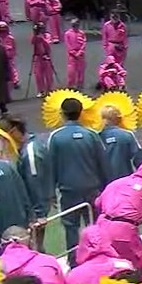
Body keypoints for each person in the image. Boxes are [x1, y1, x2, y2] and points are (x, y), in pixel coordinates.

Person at [48, 96, 106, 251]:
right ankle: (99, 256)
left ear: (62, 113)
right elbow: (102, 163)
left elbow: (51, 166)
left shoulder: (56, 137)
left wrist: (51, 193)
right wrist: (105, 187)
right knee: (95, 226)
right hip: (92, 190)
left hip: (68, 192)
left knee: (71, 228)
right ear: (81, 113)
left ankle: (74, 261)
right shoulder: (91, 135)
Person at [31, 23, 56, 98]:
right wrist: (35, 34)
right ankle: (41, 90)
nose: (41, 30)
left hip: (46, 56)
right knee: (38, 75)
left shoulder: (47, 35)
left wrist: (41, 38)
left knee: (48, 74)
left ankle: (49, 89)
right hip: (38, 57)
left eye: (42, 28)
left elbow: (47, 44)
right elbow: (32, 42)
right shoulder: (35, 36)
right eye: (40, 29)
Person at [62, 19, 88, 90]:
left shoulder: (81, 33)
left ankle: (80, 85)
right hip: (72, 55)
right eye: (73, 24)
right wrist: (73, 53)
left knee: (81, 71)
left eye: (76, 24)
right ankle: (71, 85)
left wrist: (80, 52)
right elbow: (68, 45)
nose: (75, 26)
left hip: (80, 55)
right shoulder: (67, 33)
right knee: (71, 71)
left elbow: (84, 43)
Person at [0, 21, 20, 92]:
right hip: (0, 57)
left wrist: (13, 54)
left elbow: (14, 47)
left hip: (9, 57)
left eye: (4, 28)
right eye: (1, 28)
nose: (3, 30)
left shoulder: (10, 38)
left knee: (12, 69)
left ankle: (15, 81)